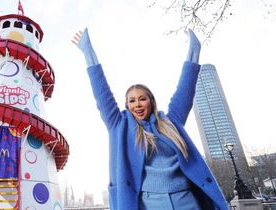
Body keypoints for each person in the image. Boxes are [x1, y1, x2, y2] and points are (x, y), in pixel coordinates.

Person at [72, 28, 229, 210]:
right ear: (127, 105)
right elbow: (102, 93)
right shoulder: (119, 126)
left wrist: (194, 50)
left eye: (142, 99)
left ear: (151, 101)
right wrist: (88, 52)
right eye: (132, 101)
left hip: (186, 200)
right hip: (150, 203)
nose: (137, 104)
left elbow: (185, 89)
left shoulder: (171, 122)